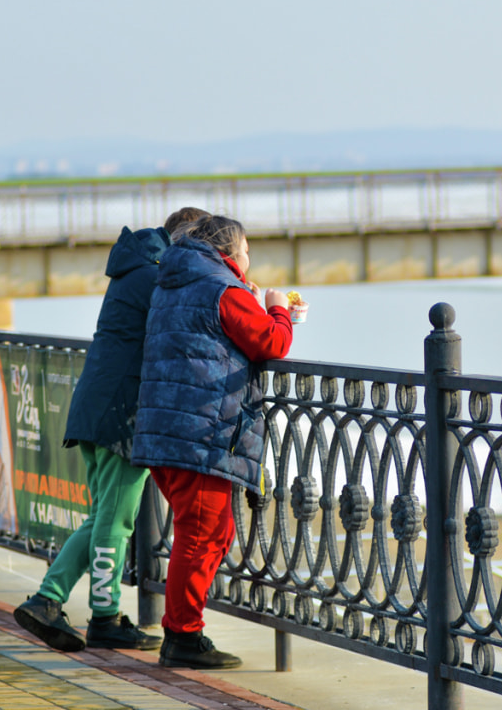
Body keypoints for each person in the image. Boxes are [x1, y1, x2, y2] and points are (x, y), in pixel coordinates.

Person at [13, 206, 211, 653]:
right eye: (203, 248)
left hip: (96, 405)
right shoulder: (156, 276)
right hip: (124, 412)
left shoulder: (138, 265)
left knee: (102, 516)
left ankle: (48, 599)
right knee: (116, 521)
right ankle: (103, 615)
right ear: (187, 241)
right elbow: (190, 327)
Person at [132, 215, 293, 670]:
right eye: (245, 251)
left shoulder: (174, 279)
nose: (247, 260)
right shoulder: (222, 288)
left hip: (166, 429)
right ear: (228, 252)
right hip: (200, 435)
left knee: (207, 531)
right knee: (201, 534)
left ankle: (184, 628)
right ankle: (182, 636)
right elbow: (271, 342)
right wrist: (278, 308)